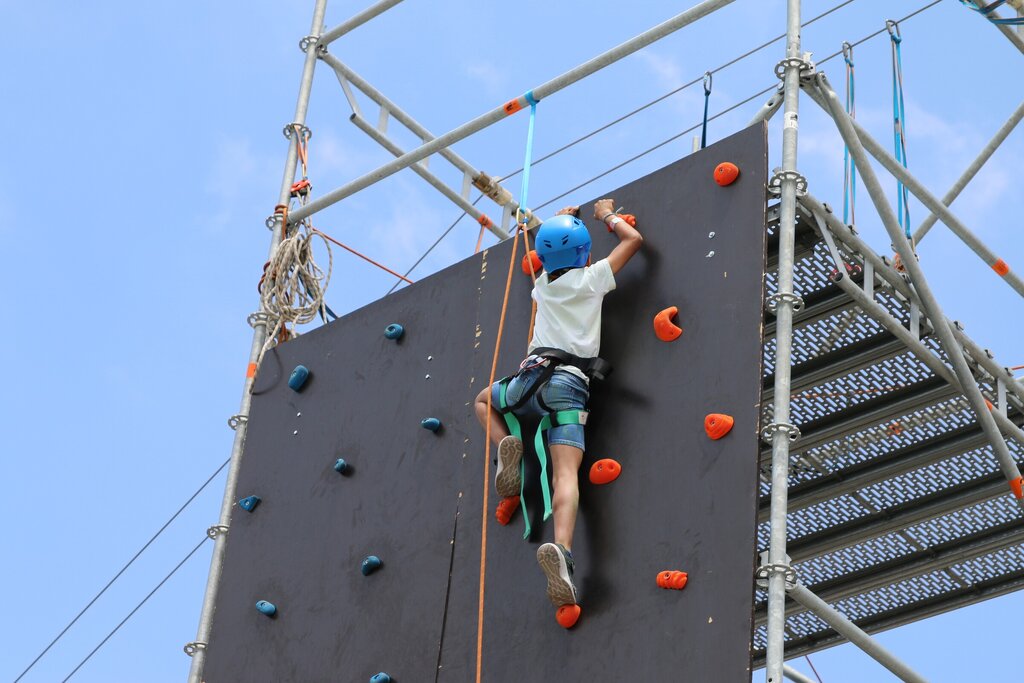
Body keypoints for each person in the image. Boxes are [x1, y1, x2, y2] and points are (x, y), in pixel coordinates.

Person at [474, 197, 643, 608]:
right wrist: (606, 215)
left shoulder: (543, 288)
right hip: (567, 387)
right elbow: (633, 240)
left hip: (525, 382)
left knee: (482, 401)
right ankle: (561, 551)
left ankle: (505, 449)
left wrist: (566, 219)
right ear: (585, 254)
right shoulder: (592, 279)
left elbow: (558, 253)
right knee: (565, 474)